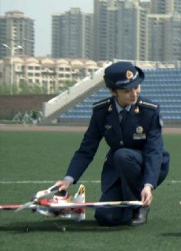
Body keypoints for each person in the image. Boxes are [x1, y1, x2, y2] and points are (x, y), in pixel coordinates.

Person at [54, 61, 170, 226]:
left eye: (136, 87)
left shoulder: (150, 111)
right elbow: (87, 148)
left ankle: (139, 206)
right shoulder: (101, 112)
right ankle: (128, 209)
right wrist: (68, 179)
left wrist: (148, 185)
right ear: (112, 91)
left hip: (148, 166)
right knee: (105, 218)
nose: (134, 94)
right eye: (126, 90)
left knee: (122, 155)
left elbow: (154, 150)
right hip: (117, 168)